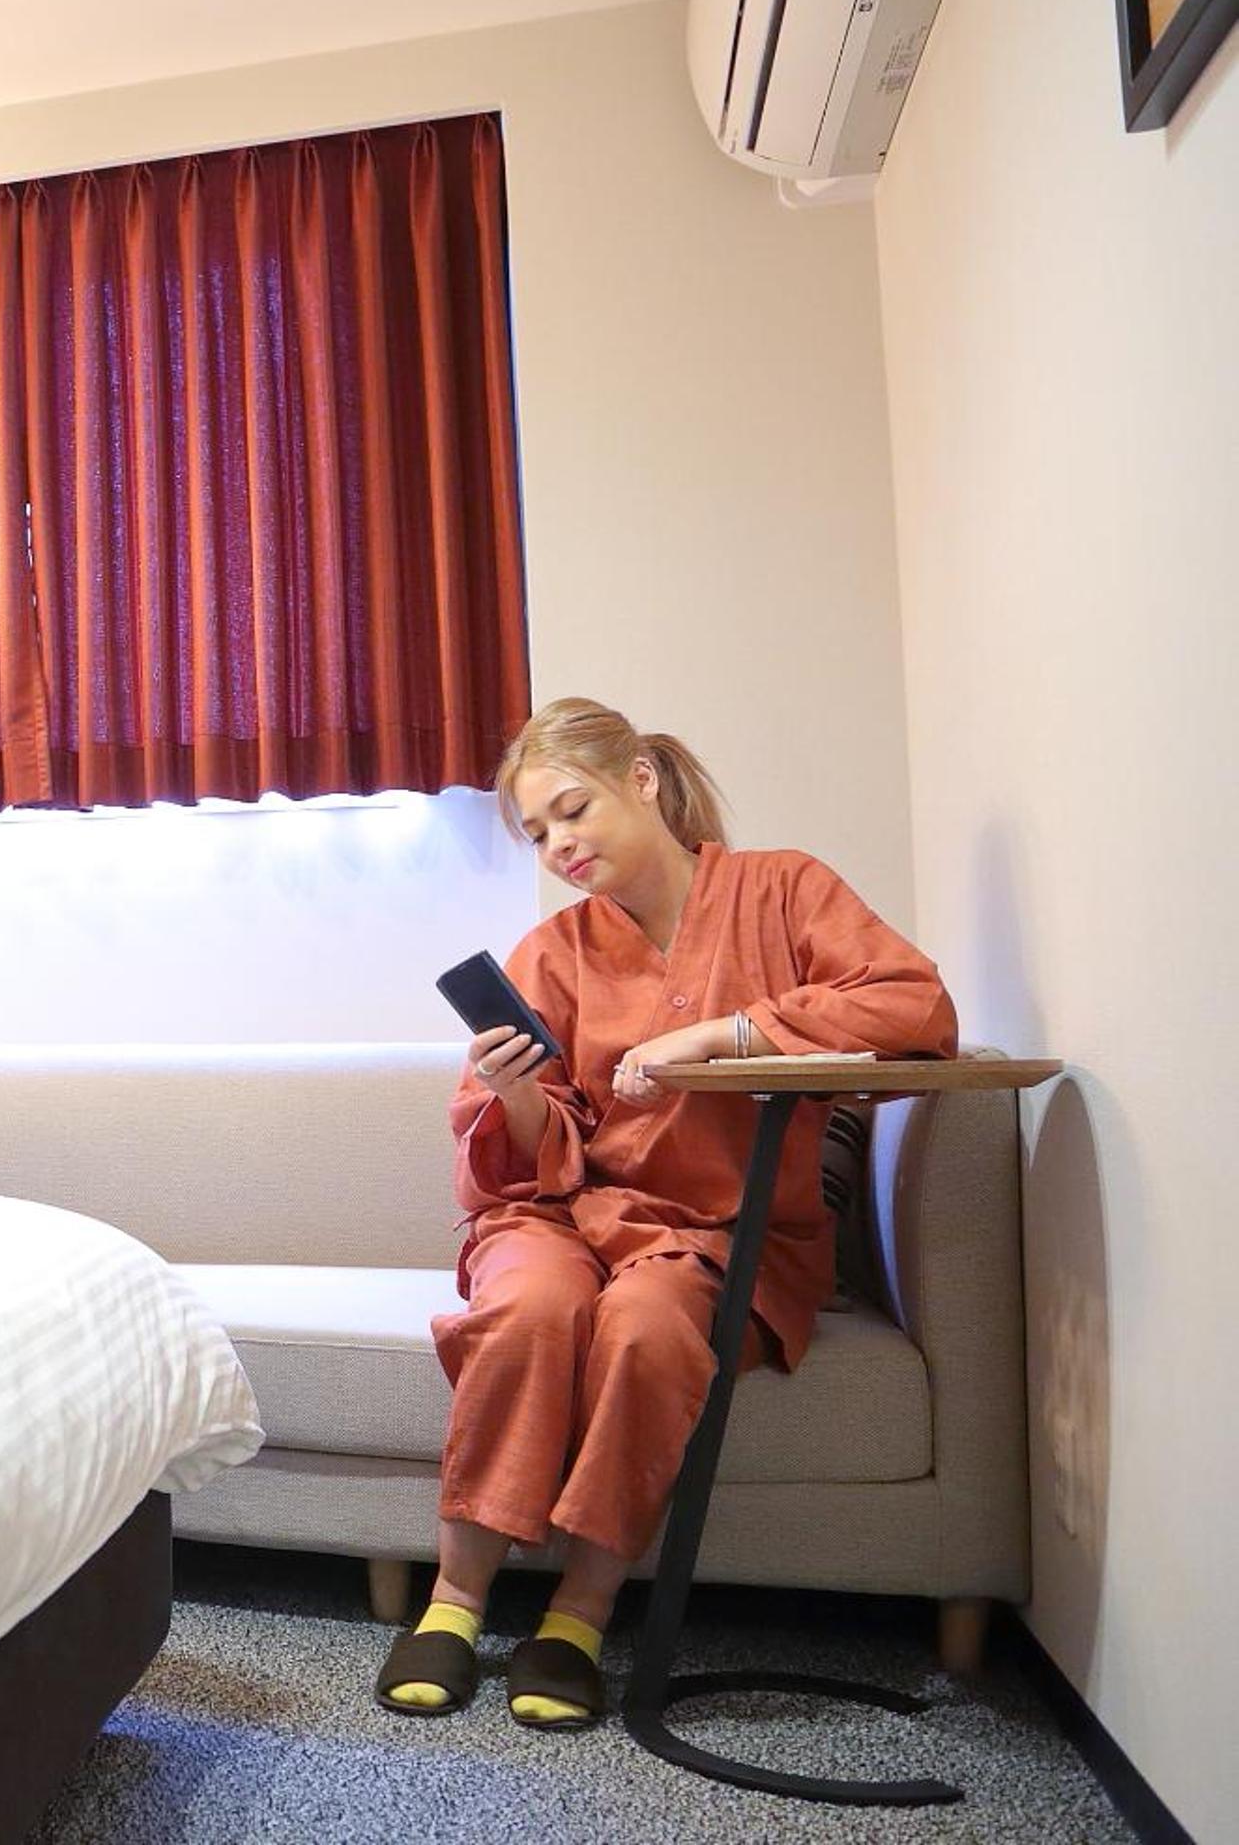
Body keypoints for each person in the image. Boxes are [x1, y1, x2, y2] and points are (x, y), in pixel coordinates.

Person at [373, 698, 957, 1728]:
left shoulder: (783, 890)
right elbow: (528, 1148)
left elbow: (915, 1005)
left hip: (714, 1229)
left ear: (640, 779)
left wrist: (726, 1033)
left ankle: (576, 1617)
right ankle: (452, 1601)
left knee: (644, 1329)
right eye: (537, 833)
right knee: (527, 1310)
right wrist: (514, 1091)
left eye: (571, 810)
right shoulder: (553, 947)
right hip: (558, 1215)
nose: (558, 846)